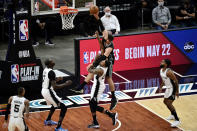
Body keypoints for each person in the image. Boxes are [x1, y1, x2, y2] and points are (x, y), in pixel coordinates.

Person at [75, 31, 118, 111]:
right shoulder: (104, 40)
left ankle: (114, 97)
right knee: (93, 70)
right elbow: (101, 47)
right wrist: (98, 38)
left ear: (108, 38)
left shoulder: (110, 46)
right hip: (102, 58)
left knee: (108, 78)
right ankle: (81, 86)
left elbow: (104, 56)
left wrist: (94, 64)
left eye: (105, 35)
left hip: (108, 61)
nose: (104, 34)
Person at [42, 58, 72, 131]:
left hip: (44, 90)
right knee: (64, 108)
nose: (53, 61)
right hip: (49, 91)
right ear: (49, 64)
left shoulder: (45, 70)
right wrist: (66, 84)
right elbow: (55, 87)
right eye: (51, 61)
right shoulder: (51, 72)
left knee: (53, 105)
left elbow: (48, 80)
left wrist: (57, 79)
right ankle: (58, 128)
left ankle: (48, 120)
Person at [87, 59, 118, 129]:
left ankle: (110, 116)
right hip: (96, 86)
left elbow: (89, 69)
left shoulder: (101, 70)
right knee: (92, 104)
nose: (101, 61)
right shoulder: (101, 66)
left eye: (103, 61)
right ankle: (97, 121)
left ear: (104, 65)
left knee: (92, 104)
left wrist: (93, 64)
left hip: (98, 88)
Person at [159, 59, 180, 127]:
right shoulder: (161, 70)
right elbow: (163, 79)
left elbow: (176, 81)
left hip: (172, 88)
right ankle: (172, 115)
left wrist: (177, 91)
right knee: (165, 101)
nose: (161, 62)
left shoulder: (169, 72)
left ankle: (177, 120)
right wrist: (161, 86)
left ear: (166, 64)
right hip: (168, 88)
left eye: (162, 62)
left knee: (169, 103)